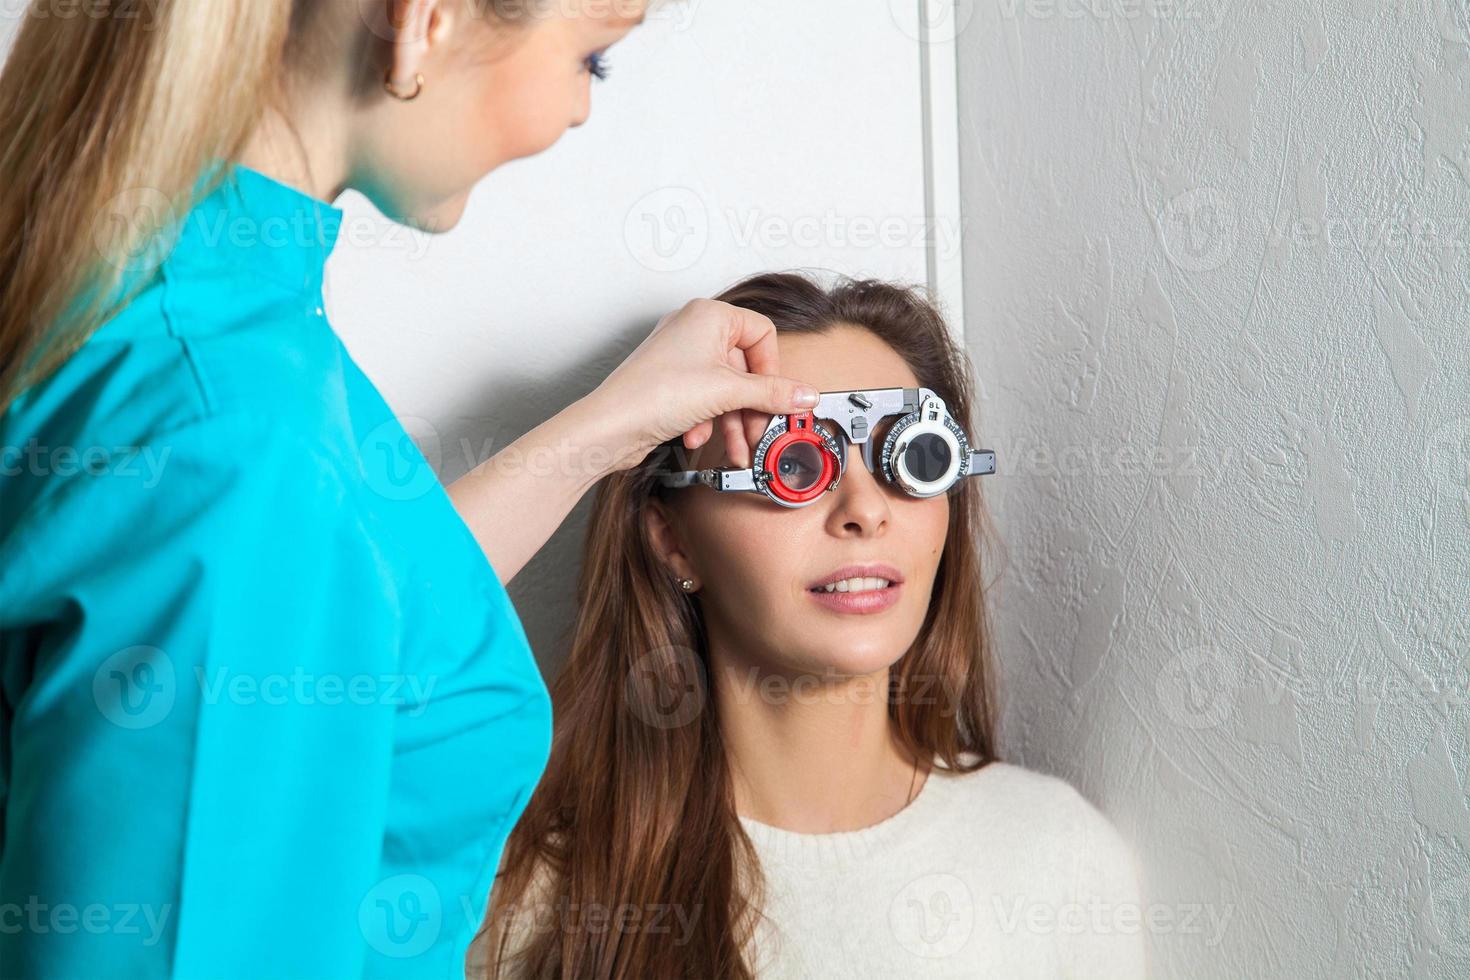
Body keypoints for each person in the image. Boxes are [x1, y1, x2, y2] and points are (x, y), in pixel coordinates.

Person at [0, 1, 823, 976]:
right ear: (422, 21)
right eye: (590, 61)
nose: (578, 111)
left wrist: (607, 425)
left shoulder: (196, 314)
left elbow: (353, 625)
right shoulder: (243, 424)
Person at [474, 271, 1150, 979]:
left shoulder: (1056, 862)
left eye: (914, 458)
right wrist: (598, 429)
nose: (866, 508)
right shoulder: (528, 895)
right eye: (796, 462)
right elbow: (352, 646)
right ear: (673, 539)